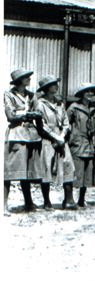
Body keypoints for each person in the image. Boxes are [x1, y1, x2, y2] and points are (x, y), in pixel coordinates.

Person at [4, 68, 44, 213]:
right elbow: (11, 116)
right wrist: (27, 114)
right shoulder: (9, 95)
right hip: (16, 135)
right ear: (19, 80)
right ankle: (3, 205)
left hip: (31, 136)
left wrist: (25, 114)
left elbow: (39, 113)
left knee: (26, 170)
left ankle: (28, 202)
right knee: (9, 171)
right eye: (26, 77)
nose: (29, 79)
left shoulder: (31, 95)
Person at [35, 76, 77, 210]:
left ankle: (68, 200)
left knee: (68, 165)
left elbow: (66, 122)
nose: (56, 86)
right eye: (53, 84)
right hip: (48, 140)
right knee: (47, 167)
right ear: (47, 88)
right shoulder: (40, 104)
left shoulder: (60, 103)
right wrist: (55, 137)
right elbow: (41, 125)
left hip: (61, 139)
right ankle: (47, 202)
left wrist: (62, 135)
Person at [67, 82, 95, 207]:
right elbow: (65, 123)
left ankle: (82, 199)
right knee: (75, 172)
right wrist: (71, 138)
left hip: (89, 144)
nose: (90, 94)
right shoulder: (74, 107)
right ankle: (69, 199)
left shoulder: (94, 108)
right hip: (77, 144)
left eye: (92, 91)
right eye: (87, 91)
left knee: (87, 173)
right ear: (82, 93)